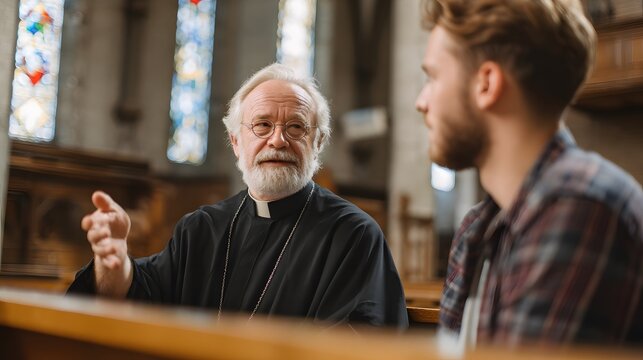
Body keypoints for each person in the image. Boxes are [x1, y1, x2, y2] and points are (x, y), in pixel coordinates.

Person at [68, 63, 409, 329]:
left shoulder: (352, 234)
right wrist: (112, 262)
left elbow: (363, 338)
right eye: (262, 125)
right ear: (235, 142)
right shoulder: (201, 229)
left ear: (317, 144)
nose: (277, 140)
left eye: (296, 127)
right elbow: (139, 297)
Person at [415, 0, 642, 347]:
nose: (422, 100)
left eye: (433, 76)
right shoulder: (477, 226)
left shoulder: (578, 206)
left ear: (487, 84)